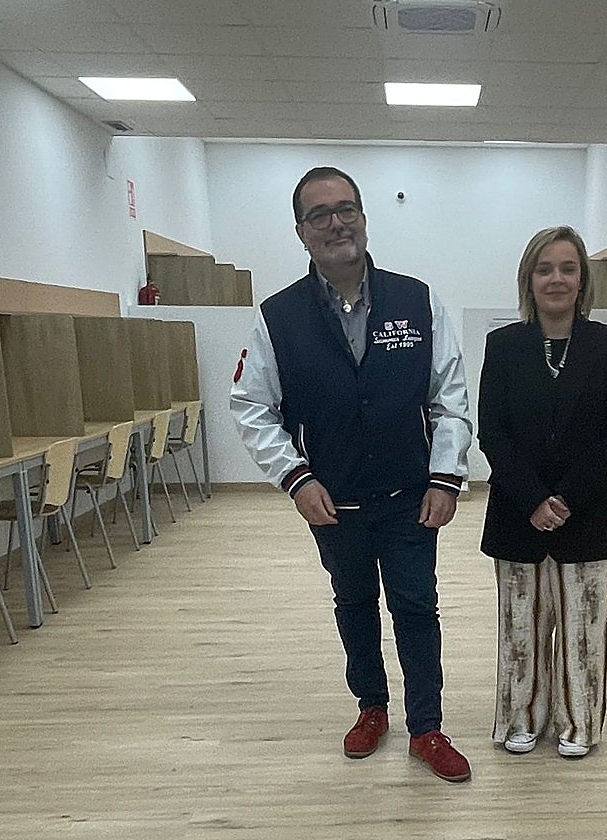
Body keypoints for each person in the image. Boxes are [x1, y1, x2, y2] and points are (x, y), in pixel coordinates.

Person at [230, 166, 473, 783]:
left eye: (346, 209)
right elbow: (251, 406)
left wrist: (445, 477)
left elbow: (449, 396)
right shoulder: (278, 317)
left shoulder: (416, 301)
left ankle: (427, 727)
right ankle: (371, 707)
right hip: (334, 501)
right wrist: (295, 477)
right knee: (354, 602)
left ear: (364, 217)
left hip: (411, 497)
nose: (336, 223)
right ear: (301, 232)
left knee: (416, 606)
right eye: (320, 214)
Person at [477, 225, 607, 759]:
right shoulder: (503, 346)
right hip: (517, 512)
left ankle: (579, 722)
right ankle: (521, 716)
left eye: (568, 268)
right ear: (529, 279)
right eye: (544, 269)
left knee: (583, 630)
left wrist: (566, 498)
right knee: (520, 629)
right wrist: (532, 500)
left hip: (587, 513)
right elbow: (493, 432)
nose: (556, 279)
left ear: (582, 279)